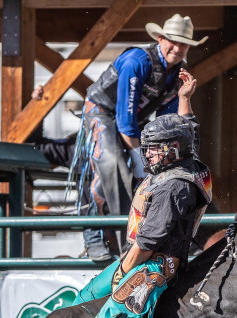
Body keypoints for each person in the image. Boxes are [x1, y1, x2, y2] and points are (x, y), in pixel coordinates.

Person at [73, 69, 212, 318]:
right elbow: (188, 128)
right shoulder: (186, 160)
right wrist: (184, 98)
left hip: (157, 263)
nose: (148, 153)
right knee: (84, 299)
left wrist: (122, 272)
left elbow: (148, 244)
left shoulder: (174, 187)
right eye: (148, 146)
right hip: (139, 256)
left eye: (155, 148)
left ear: (173, 150)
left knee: (117, 316)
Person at [68, 14, 208, 262]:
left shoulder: (178, 76)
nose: (177, 48)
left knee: (162, 169)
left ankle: (136, 243)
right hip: (101, 112)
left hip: (134, 122)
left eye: (183, 44)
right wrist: (139, 157)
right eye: (172, 41)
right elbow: (125, 117)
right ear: (161, 38)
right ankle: (94, 238)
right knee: (112, 164)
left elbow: (168, 122)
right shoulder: (137, 60)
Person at [26, 84, 77, 169]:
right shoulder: (75, 148)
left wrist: (39, 106)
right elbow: (35, 147)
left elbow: (35, 147)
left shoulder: (76, 148)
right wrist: (38, 106)